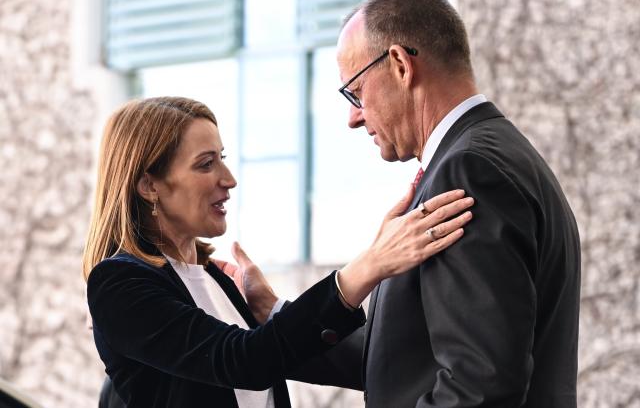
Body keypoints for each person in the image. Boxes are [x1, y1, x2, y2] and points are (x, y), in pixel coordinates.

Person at [232, 0, 581, 407]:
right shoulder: (494, 154)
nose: (353, 118)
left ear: (399, 64)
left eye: (355, 92)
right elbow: (406, 359)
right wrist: (276, 314)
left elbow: (479, 386)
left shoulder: (469, 171)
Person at [83, 96, 474, 408]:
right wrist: (367, 268)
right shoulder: (119, 283)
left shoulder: (218, 279)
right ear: (149, 185)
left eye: (222, 157)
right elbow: (245, 361)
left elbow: (281, 353)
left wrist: (268, 307)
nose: (229, 179)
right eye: (205, 165)